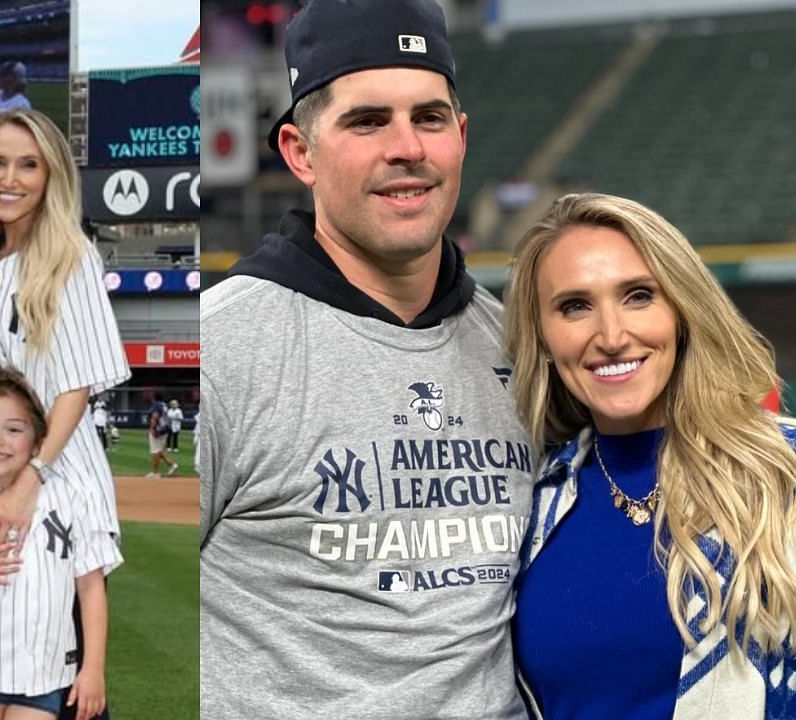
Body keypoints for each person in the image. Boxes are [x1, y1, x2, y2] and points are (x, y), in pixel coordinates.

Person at [199, 0, 535, 717]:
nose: (407, 146)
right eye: (367, 120)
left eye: (430, 117)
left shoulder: (519, 347)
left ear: (461, 137)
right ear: (299, 151)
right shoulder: (222, 347)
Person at [504, 193, 796, 719]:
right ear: (544, 337)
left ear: (682, 312)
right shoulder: (531, 505)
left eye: (638, 296)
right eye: (575, 306)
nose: (612, 336)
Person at [0, 107, 129, 720]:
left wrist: (31, 481)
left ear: (52, 177)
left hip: (54, 492)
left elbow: (77, 386)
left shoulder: (70, 255)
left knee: (65, 687)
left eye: (29, 165)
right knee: (7, 662)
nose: (10, 178)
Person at [0, 369, 121, 720]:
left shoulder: (72, 500)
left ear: (37, 442)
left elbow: (91, 588)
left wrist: (93, 669)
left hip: (44, 674)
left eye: (13, 429)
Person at [146, 396, 176, 479]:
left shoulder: (156, 405)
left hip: (158, 430)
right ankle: (172, 465)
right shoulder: (163, 405)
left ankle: (155, 473)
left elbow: (155, 417)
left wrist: (152, 429)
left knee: (155, 451)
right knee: (158, 451)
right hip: (165, 429)